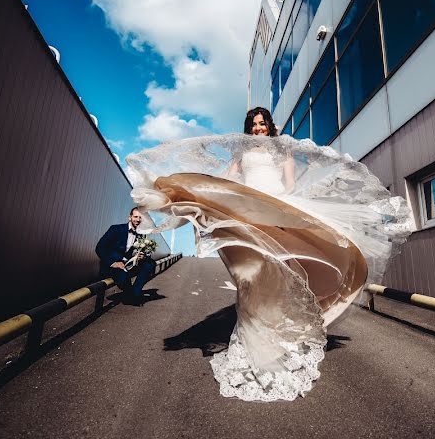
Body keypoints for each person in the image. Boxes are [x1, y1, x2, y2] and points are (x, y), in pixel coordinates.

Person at [125, 107, 412, 401]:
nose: (259, 128)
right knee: (252, 273)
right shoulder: (242, 152)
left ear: (270, 126)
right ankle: (256, 337)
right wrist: (203, 192)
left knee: (282, 267)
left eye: (262, 124)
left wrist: (287, 208)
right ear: (249, 128)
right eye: (254, 124)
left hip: (273, 205)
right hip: (249, 209)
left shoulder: (283, 150)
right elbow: (228, 177)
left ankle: (283, 331)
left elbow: (289, 184)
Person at [95, 207, 157, 306]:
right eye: (135, 217)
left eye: (140, 218)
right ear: (130, 217)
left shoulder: (141, 235)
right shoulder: (116, 229)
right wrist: (113, 263)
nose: (138, 220)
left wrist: (142, 256)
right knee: (123, 278)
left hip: (127, 264)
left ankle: (135, 292)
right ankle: (131, 294)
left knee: (150, 264)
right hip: (113, 265)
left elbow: (136, 252)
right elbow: (100, 248)